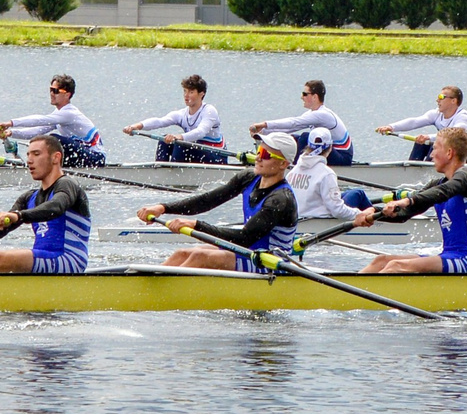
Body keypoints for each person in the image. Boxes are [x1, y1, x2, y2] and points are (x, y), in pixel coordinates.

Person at [138, 133, 304, 270]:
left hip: (269, 263)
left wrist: (196, 225)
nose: (258, 158)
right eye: (259, 151)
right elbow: (207, 201)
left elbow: (243, 238)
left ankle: (163, 295)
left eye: (266, 155)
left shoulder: (280, 200)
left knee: (200, 256)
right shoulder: (248, 178)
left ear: (283, 164)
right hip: (247, 252)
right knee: (181, 253)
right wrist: (163, 207)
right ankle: (147, 286)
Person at [351, 127, 467, 274]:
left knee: (396, 266)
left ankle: (364, 295)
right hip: (449, 255)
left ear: (449, 153)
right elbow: (404, 213)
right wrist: (372, 211)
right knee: (382, 261)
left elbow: (444, 191)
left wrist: (406, 200)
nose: (431, 154)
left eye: (435, 148)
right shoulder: (437, 184)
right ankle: (347, 293)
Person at [0, 133, 93, 272]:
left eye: (36, 154)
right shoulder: (28, 197)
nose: (29, 160)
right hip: (42, 259)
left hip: (68, 260)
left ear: (55, 158)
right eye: (28, 155)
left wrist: (19, 215)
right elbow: (0, 231)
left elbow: (56, 207)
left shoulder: (68, 184)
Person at [0, 75, 107, 168]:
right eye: (50, 90)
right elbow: (37, 131)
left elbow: (40, 120)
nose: (51, 94)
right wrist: (12, 133)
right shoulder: (59, 113)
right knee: (40, 139)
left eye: (55, 91)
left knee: (52, 140)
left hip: (96, 158)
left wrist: (11, 123)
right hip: (84, 153)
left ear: (67, 94)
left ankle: (45, 170)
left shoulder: (69, 113)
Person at [252, 80, 355, 168]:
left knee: (306, 137)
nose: (301, 97)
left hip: (342, 158)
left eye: (305, 94)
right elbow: (290, 129)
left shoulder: (324, 115)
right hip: (329, 152)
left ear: (314, 97)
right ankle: (280, 162)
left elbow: (294, 123)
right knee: (293, 138)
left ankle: (294, 168)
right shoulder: (311, 114)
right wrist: (263, 133)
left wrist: (264, 124)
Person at [126, 75, 226, 163]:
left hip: (216, 156)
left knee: (180, 143)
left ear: (201, 94)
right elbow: (160, 121)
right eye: (185, 91)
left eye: (191, 92)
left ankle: (175, 175)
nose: (186, 96)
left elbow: (200, 132)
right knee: (164, 140)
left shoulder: (209, 111)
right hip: (198, 152)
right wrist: (136, 126)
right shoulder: (182, 114)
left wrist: (179, 137)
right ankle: (161, 169)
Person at [378, 86, 467, 162]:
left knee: (433, 143)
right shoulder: (436, 114)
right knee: (421, 143)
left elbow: (452, 135)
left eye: (441, 97)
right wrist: (391, 127)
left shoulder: (463, 118)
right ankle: (414, 168)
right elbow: (414, 122)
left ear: (453, 101)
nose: (437, 100)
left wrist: (428, 137)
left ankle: (429, 170)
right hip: (450, 152)